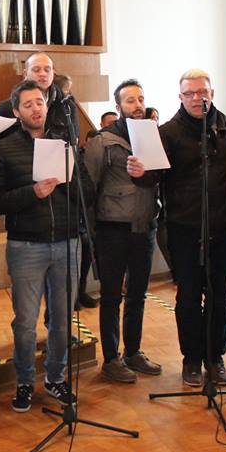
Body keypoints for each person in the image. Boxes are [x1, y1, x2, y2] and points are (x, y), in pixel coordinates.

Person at [128, 69, 226, 388]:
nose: (196, 98)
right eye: (189, 93)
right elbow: (153, 179)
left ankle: (215, 359)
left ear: (212, 94)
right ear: (180, 97)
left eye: (202, 92)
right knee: (188, 297)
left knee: (220, 298)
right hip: (183, 229)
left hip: (224, 229)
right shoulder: (167, 133)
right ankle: (191, 358)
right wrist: (139, 173)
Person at [0, 81, 94, 413]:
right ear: (16, 111)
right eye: (28, 104)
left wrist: (68, 181)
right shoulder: (4, 149)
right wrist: (32, 193)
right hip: (26, 245)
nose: (36, 109)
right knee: (25, 322)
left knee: (62, 321)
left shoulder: (65, 144)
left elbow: (88, 195)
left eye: (40, 102)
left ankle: (55, 377)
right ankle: (24, 381)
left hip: (67, 241)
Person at [84, 79, 161, 383]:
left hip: (145, 226)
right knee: (111, 297)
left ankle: (133, 352)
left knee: (138, 294)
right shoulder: (102, 141)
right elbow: (89, 188)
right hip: (112, 229)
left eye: (141, 99)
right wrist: (92, 234)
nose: (138, 105)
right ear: (118, 107)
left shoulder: (152, 135)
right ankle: (111, 358)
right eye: (130, 100)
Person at [0, 51, 79, 143]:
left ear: (53, 74)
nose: (43, 74)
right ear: (25, 74)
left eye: (47, 70)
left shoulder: (67, 106)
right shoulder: (7, 108)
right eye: (36, 70)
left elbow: (74, 142)